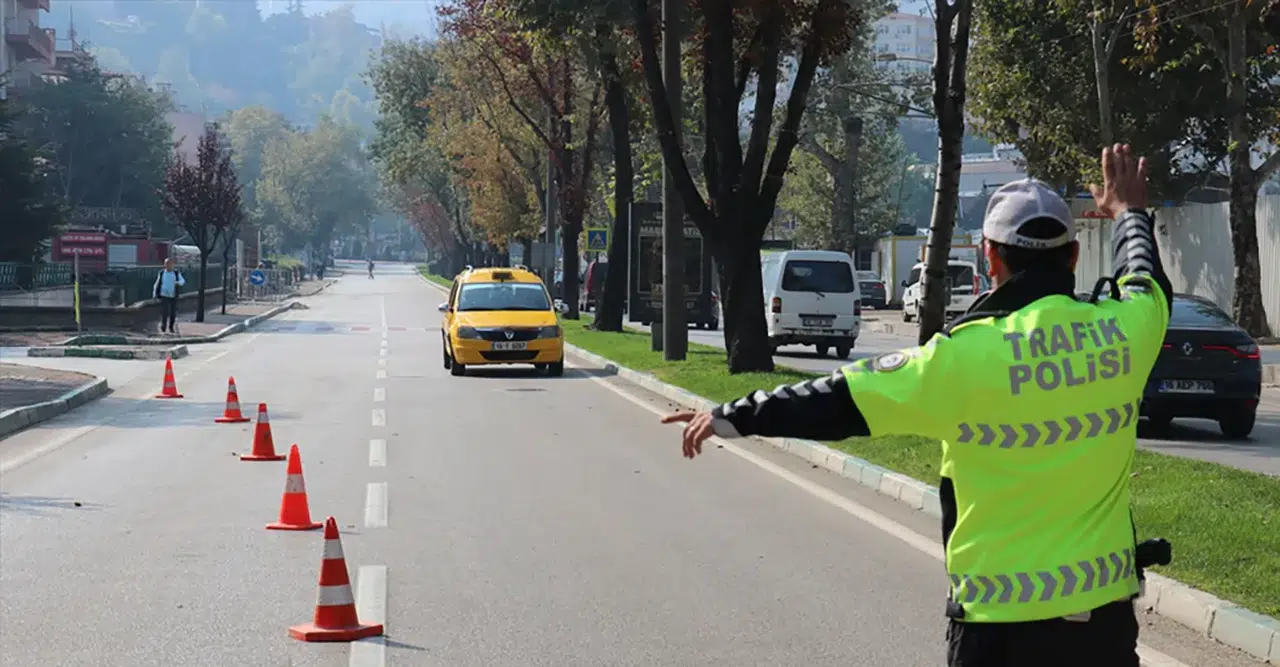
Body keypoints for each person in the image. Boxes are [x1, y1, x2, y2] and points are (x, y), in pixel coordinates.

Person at [662, 145, 1173, 667]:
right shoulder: (1122, 335)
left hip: (998, 634)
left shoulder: (959, 359)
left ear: (990, 258)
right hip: (1103, 629)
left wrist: (731, 415)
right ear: (1073, 257)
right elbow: (1144, 276)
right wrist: (1128, 211)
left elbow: (835, 400)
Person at [152, 258, 186, 334]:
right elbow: (157, 283)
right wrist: (154, 294)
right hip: (164, 294)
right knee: (164, 311)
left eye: (169, 264)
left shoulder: (176, 273)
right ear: (164, 265)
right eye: (166, 264)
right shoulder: (162, 273)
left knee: (172, 312)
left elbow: (182, 281)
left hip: (173, 295)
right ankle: (163, 326)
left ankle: (171, 327)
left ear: (172, 264)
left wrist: (178, 283)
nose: (168, 265)